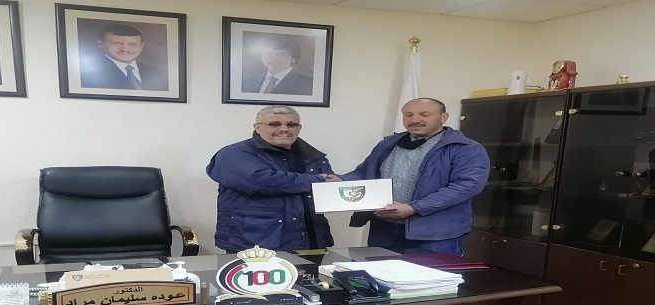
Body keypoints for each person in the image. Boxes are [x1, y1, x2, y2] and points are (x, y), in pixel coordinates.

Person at [338, 98, 490, 256]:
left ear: (443, 117)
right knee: (379, 270)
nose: (415, 120)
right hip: (383, 227)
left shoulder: (465, 148)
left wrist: (415, 208)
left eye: (424, 114)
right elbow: (365, 172)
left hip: (435, 233)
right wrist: (340, 180)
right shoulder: (387, 144)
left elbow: (466, 186)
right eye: (408, 115)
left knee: (431, 272)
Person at [207, 106, 338, 253]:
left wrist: (338, 193)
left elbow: (328, 189)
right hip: (254, 246)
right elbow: (260, 181)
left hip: (311, 243)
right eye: (274, 124)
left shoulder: (314, 156)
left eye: (291, 124)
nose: (284, 129)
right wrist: (316, 181)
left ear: (299, 128)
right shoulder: (233, 153)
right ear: (257, 127)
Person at [79, 23, 168, 91]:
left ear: (141, 46)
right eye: (116, 43)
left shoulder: (157, 73)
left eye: (132, 44)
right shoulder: (87, 74)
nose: (125, 49)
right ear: (100, 44)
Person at [240, 35, 313, 96]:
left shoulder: (308, 84)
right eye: (268, 54)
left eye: (281, 54)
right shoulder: (247, 82)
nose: (274, 58)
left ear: (293, 58)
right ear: (261, 57)